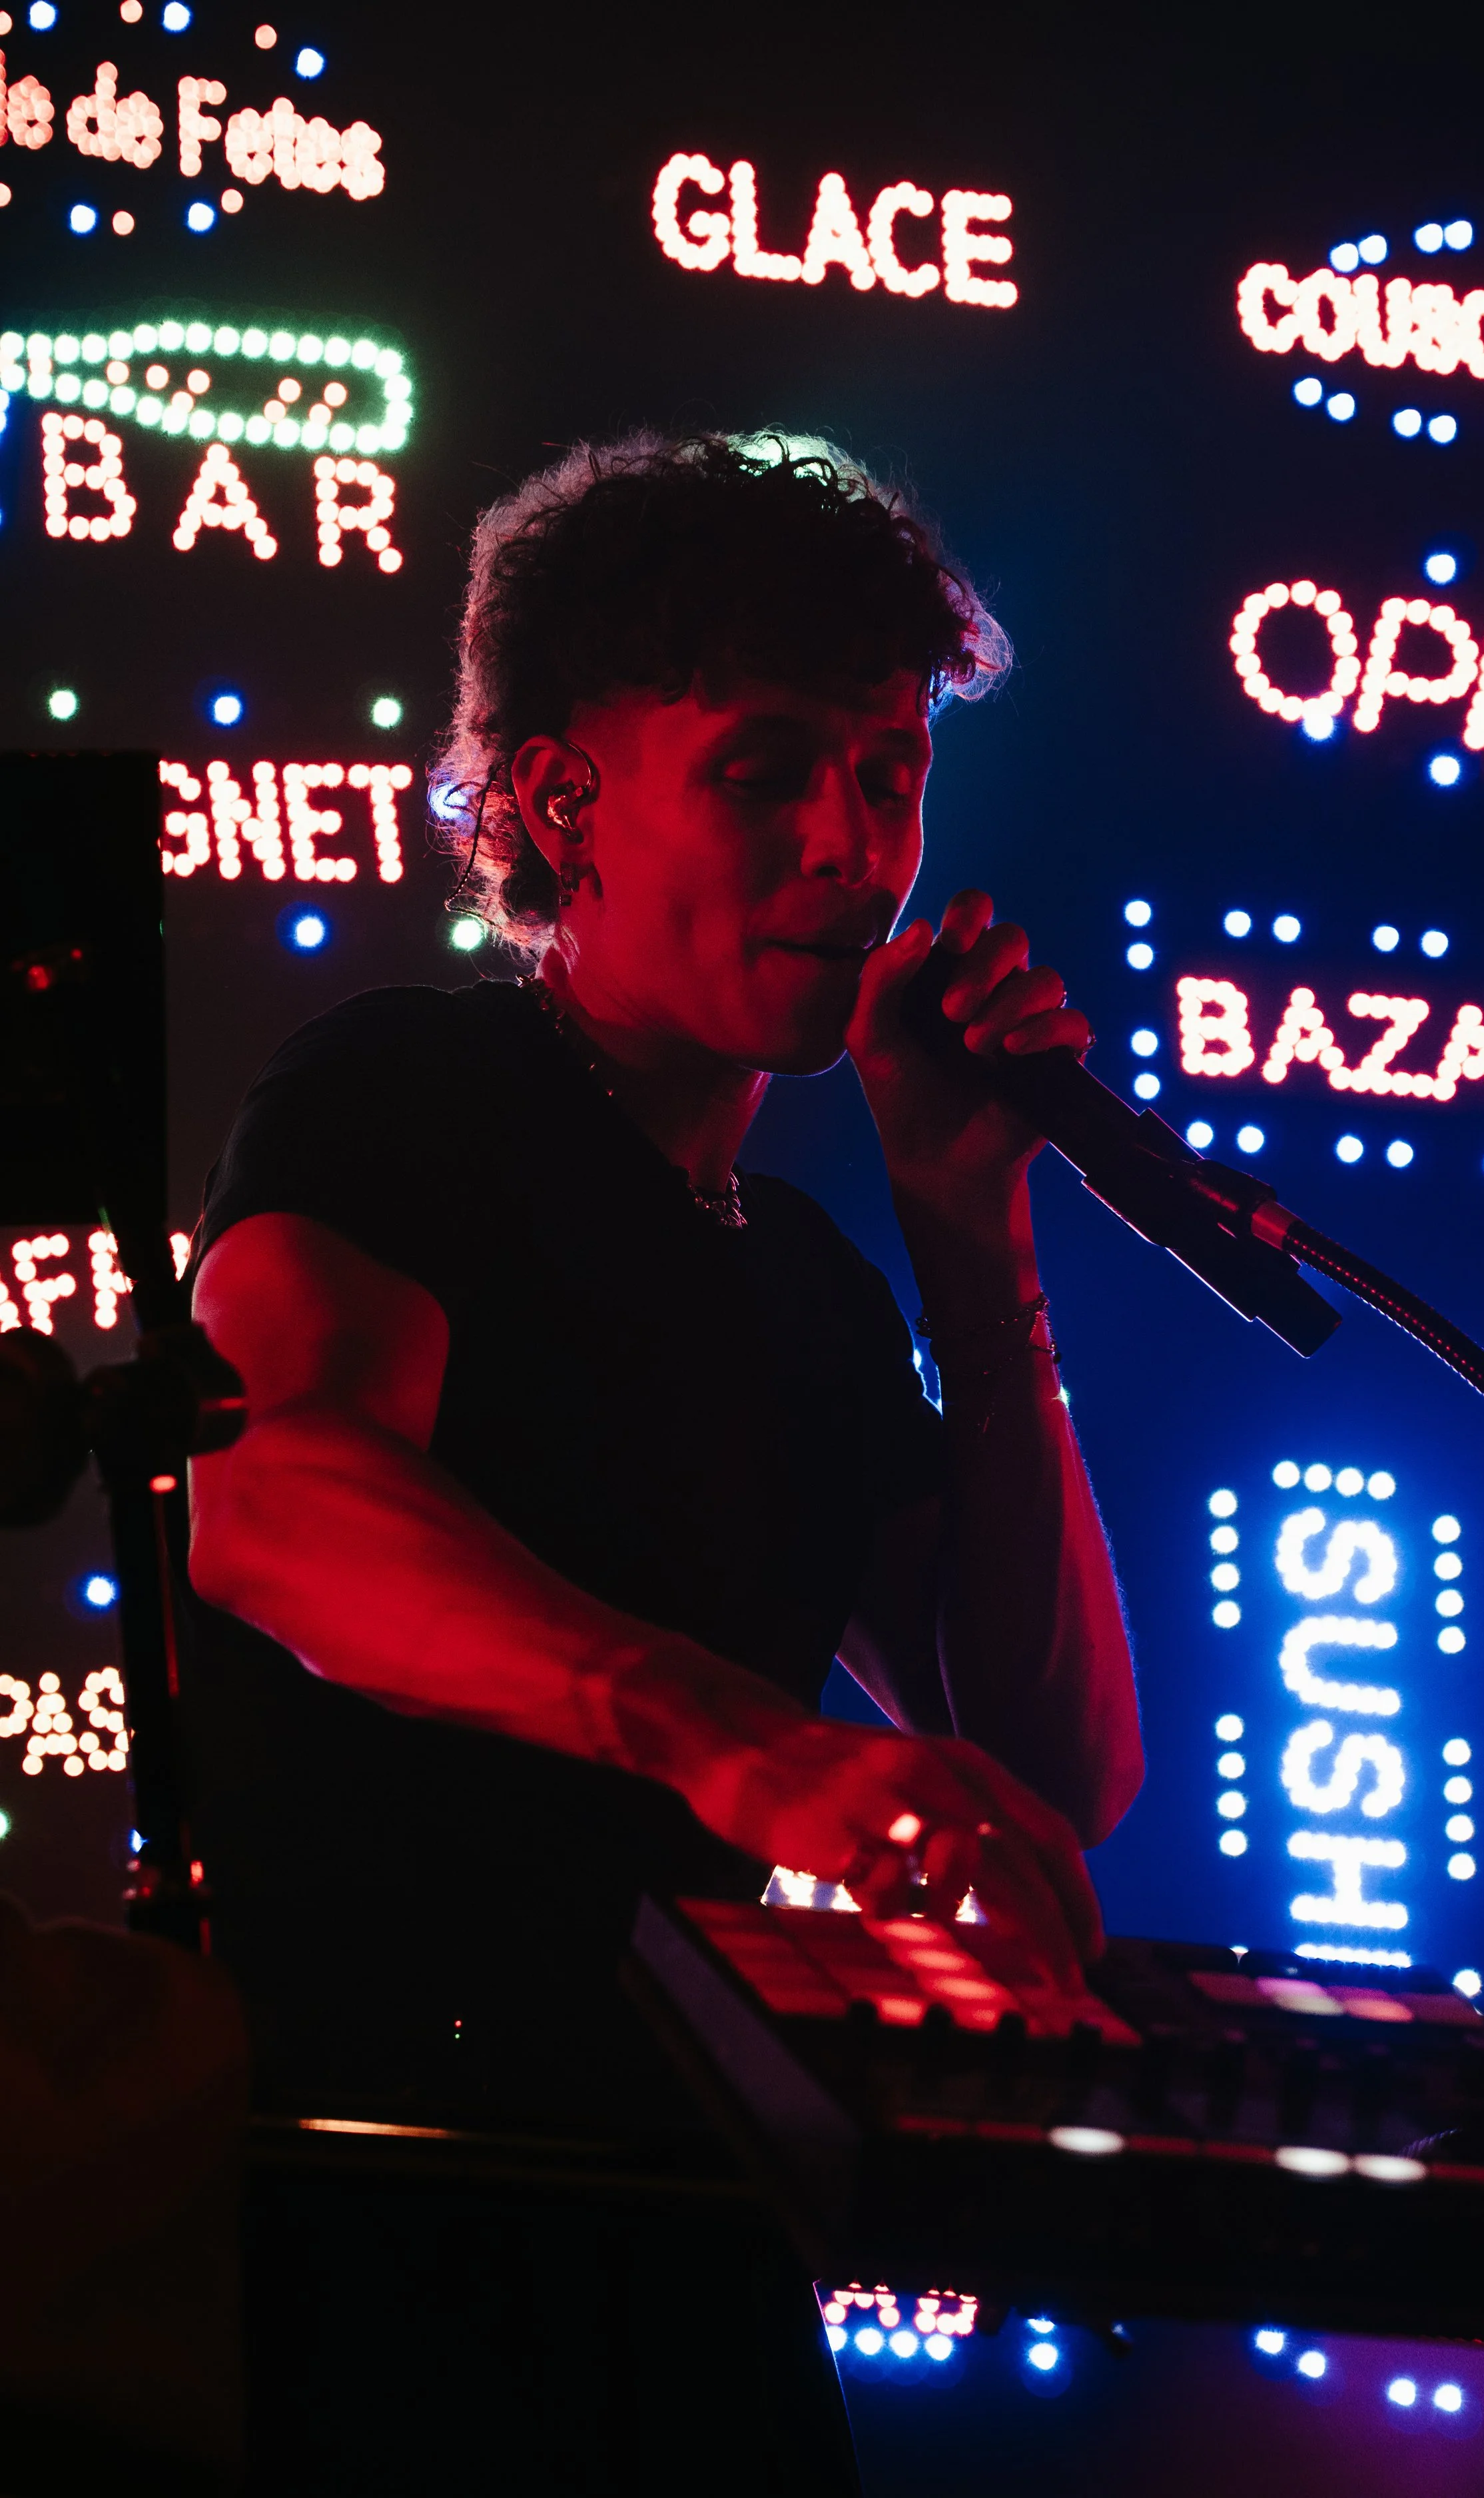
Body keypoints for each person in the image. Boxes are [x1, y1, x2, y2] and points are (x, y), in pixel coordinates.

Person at [183, 431, 1143, 2491]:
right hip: (379, 2194)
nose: (847, 846)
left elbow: (1056, 1768)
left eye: (889, 773)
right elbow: (269, 1498)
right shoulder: (410, 1084)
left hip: (690, 2220)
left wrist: (970, 1245)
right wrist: (741, 1742)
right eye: (763, 767)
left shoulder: (801, 1274)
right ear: (558, 800)